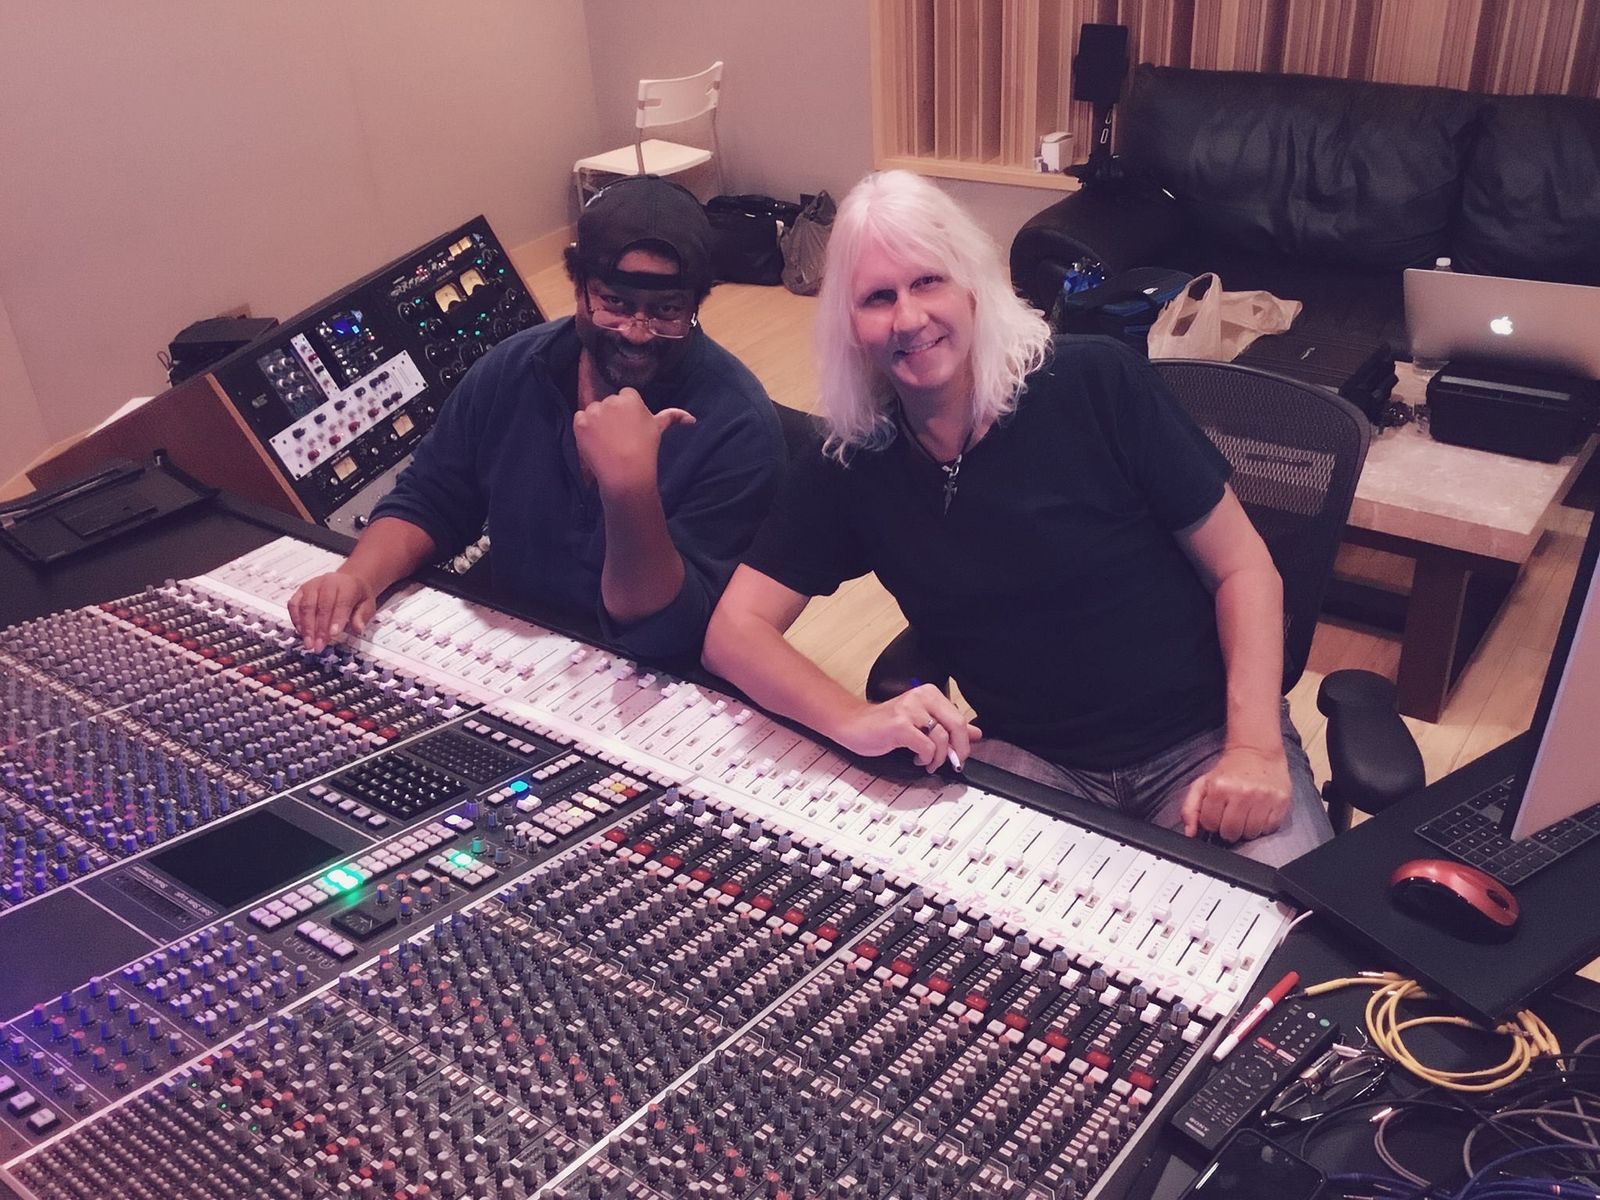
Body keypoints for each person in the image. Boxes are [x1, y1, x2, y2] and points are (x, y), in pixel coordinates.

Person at [702, 170, 1331, 867]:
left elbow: (1245, 569)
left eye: (928, 282)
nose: (908, 319)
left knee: (1287, 930)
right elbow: (734, 632)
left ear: (974, 286)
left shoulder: (1094, 382)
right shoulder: (855, 460)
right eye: (878, 297)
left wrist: (1254, 749)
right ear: (848, 324)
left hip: (1205, 740)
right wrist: (853, 718)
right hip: (1031, 759)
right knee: (929, 919)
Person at [289, 176, 785, 663]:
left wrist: (630, 490)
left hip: (642, 675)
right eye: (615, 303)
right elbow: (433, 497)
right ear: (579, 289)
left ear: (695, 307)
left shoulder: (740, 429)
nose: (637, 332)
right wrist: (359, 577)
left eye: (667, 310)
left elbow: (665, 633)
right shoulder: (513, 368)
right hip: (510, 644)